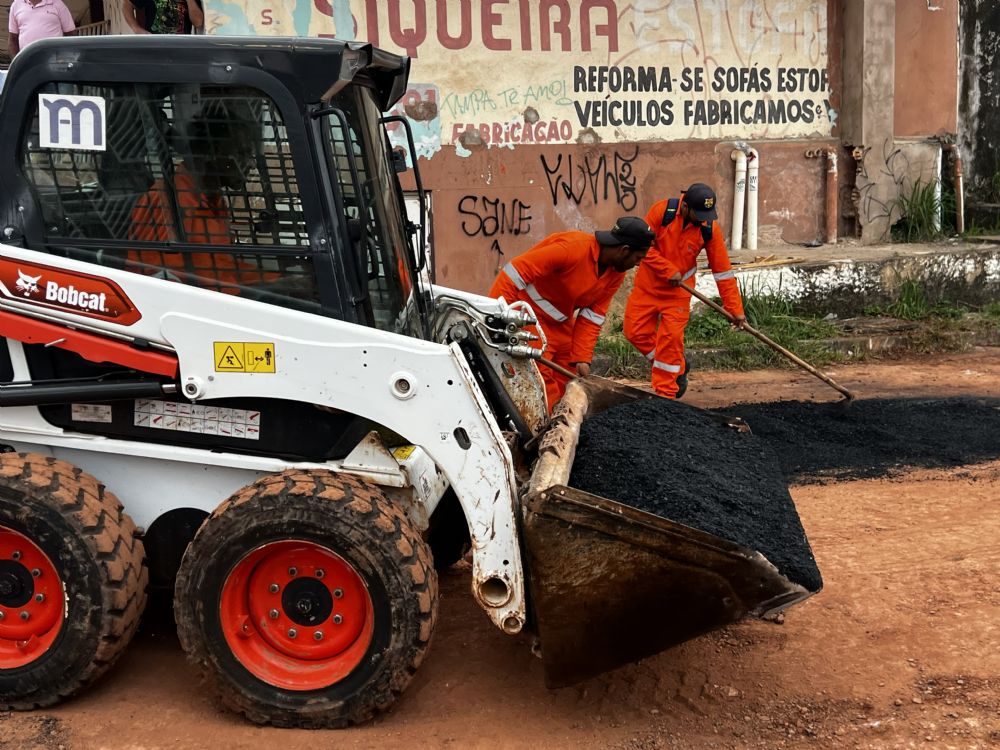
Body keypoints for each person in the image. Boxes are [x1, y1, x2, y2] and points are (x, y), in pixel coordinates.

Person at [489, 217, 655, 409]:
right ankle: (547, 431)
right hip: (528, 318)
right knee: (542, 382)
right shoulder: (572, 249)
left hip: (561, 323)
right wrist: (499, 319)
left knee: (570, 378)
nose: (638, 264)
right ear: (624, 250)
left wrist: (582, 357)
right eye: (638, 258)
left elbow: (593, 316)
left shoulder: (616, 274)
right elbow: (513, 274)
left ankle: (566, 423)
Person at [128, 101, 277, 293]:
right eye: (241, 153)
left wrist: (279, 281)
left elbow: (223, 267)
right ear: (211, 154)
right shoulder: (167, 203)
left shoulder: (213, 201)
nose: (250, 164)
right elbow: (165, 285)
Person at [624, 183, 746, 399]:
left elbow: (723, 271)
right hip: (648, 286)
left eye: (706, 215)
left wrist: (735, 309)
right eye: (699, 214)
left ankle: (666, 395)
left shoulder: (709, 228)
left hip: (679, 293)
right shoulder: (662, 212)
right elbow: (642, 247)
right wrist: (666, 269)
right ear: (685, 206)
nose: (703, 219)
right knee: (634, 332)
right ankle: (677, 366)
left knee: (670, 340)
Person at [7, 0, 75, 59]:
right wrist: (16, 63)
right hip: (27, 62)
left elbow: (70, 35)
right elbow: (13, 39)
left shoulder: (57, 3)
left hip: (54, 62)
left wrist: (64, 59)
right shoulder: (16, 5)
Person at [122, 0, 203, 35]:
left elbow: (198, 22)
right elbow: (127, 4)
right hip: (154, 46)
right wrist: (136, 28)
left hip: (180, 48)